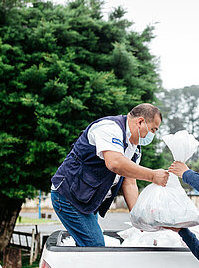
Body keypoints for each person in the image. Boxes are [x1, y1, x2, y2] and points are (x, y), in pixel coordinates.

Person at [50, 103, 169, 246]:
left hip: (86, 200)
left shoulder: (135, 149)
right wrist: (152, 175)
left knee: (86, 247)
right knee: (95, 246)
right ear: (140, 122)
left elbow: (129, 183)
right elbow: (115, 163)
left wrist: (139, 219)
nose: (152, 135)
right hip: (68, 196)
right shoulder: (109, 128)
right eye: (153, 130)